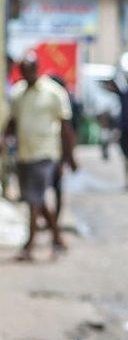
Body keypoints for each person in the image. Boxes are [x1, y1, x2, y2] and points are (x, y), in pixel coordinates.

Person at [5, 54, 77, 260]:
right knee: (34, 197)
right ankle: (57, 236)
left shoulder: (53, 92)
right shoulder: (18, 93)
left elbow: (66, 126)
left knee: (34, 197)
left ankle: (30, 244)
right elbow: (12, 121)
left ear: (37, 68)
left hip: (46, 153)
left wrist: (69, 156)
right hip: (24, 153)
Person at [47, 75, 82, 221]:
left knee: (57, 186)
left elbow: (69, 131)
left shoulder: (65, 102)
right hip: (49, 150)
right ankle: (52, 219)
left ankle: (54, 220)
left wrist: (70, 156)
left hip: (58, 150)